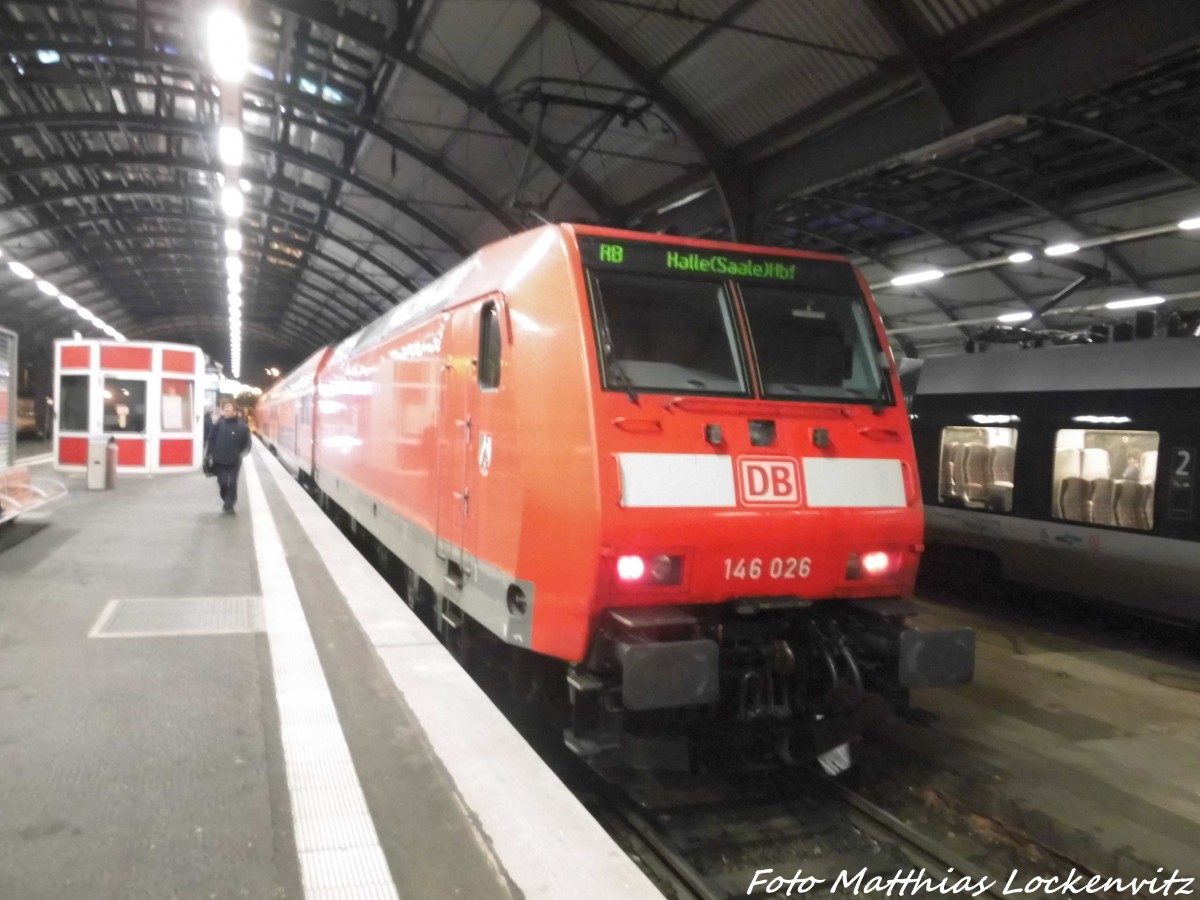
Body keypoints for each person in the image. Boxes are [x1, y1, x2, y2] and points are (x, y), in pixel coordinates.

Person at [205, 400, 251, 514]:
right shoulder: (219, 425)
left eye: (228, 409)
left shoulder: (242, 427)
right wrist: (209, 453)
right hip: (219, 459)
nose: (225, 411)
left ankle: (229, 504)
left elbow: (247, 442)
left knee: (232, 483)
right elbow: (211, 439)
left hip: (234, 460)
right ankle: (226, 498)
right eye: (225, 409)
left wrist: (242, 452)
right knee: (223, 482)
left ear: (235, 412)